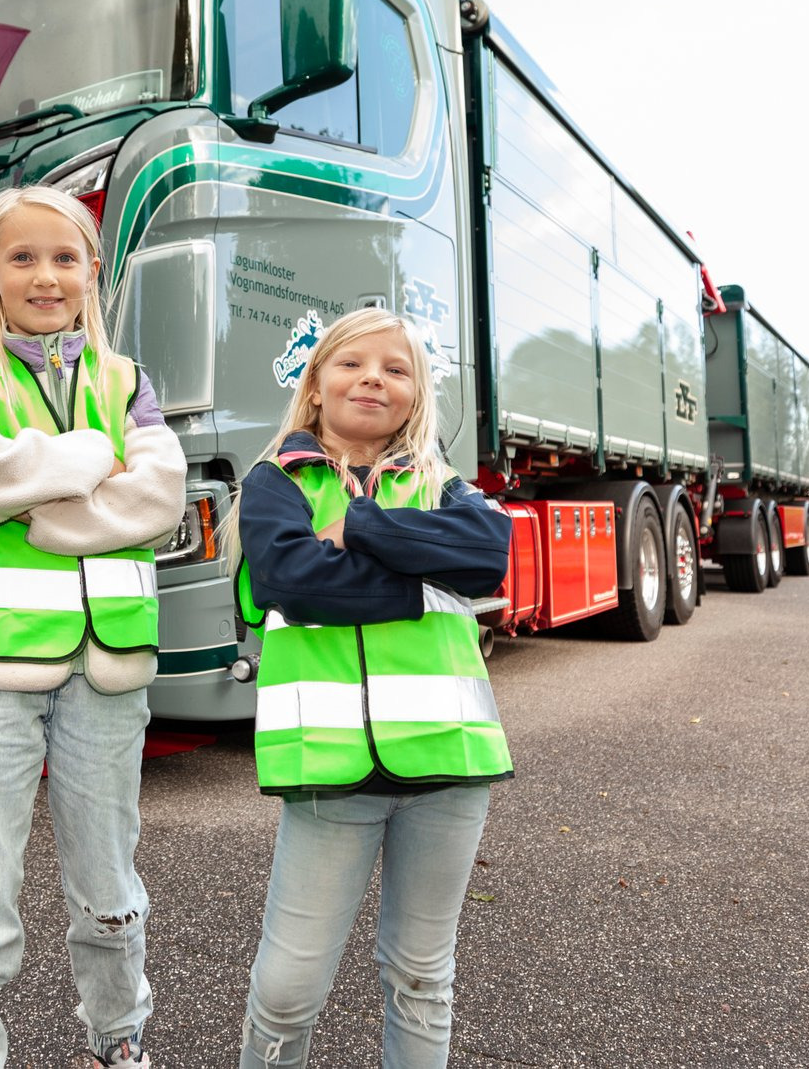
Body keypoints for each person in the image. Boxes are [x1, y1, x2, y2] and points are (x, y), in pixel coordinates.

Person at [0, 185, 185, 1069]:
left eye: (65, 257)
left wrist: (45, 508)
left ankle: (120, 1046)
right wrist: (86, 459)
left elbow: (163, 500)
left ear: (93, 269)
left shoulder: (129, 378)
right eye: (22, 257)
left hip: (106, 669)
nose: (45, 275)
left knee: (111, 894)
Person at [232, 307, 514, 1068]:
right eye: (352, 364)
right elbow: (295, 581)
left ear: (414, 395)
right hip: (328, 772)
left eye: (395, 369)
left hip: (450, 765)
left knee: (423, 977)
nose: (373, 379)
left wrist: (361, 529)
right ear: (316, 385)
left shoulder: (439, 478)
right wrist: (430, 586)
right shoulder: (274, 481)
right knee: (288, 988)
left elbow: (490, 554)